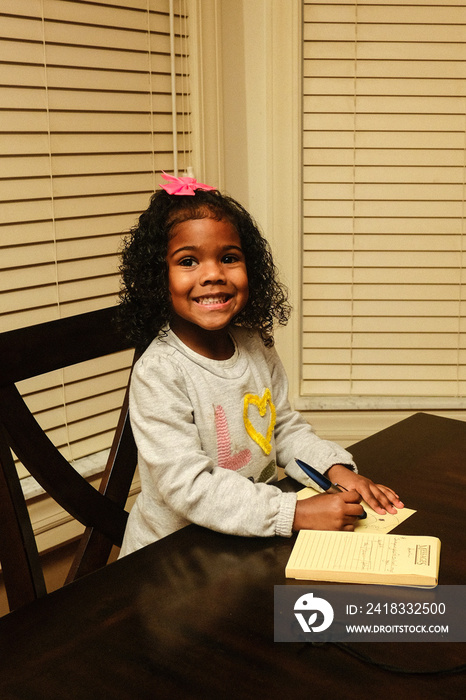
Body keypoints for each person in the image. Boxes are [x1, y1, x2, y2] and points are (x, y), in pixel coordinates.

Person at [117, 172, 403, 556]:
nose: (214, 274)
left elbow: (283, 428)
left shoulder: (255, 345)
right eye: (188, 261)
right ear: (157, 278)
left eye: (229, 258)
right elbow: (189, 486)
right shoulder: (160, 371)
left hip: (245, 539)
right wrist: (295, 512)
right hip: (176, 557)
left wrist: (336, 469)